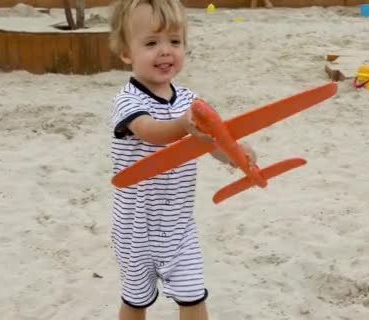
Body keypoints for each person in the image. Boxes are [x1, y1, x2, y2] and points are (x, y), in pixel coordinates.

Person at [108, 1, 257, 319]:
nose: (165, 51)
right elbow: (151, 131)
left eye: (174, 41)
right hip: (135, 229)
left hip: (178, 227)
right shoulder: (128, 100)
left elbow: (208, 143)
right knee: (136, 301)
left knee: (193, 297)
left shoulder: (190, 101)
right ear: (126, 53)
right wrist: (183, 126)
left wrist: (234, 154)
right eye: (151, 43)